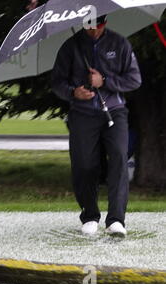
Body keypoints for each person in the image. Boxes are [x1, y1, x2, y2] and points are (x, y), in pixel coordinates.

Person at [51, 15, 142, 237]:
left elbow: (134, 79)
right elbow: (57, 83)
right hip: (82, 114)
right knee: (84, 164)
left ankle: (116, 220)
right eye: (89, 27)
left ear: (104, 23)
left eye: (97, 26)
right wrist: (74, 92)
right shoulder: (70, 46)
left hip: (115, 112)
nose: (93, 31)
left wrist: (106, 81)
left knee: (119, 158)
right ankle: (89, 216)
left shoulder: (120, 44)